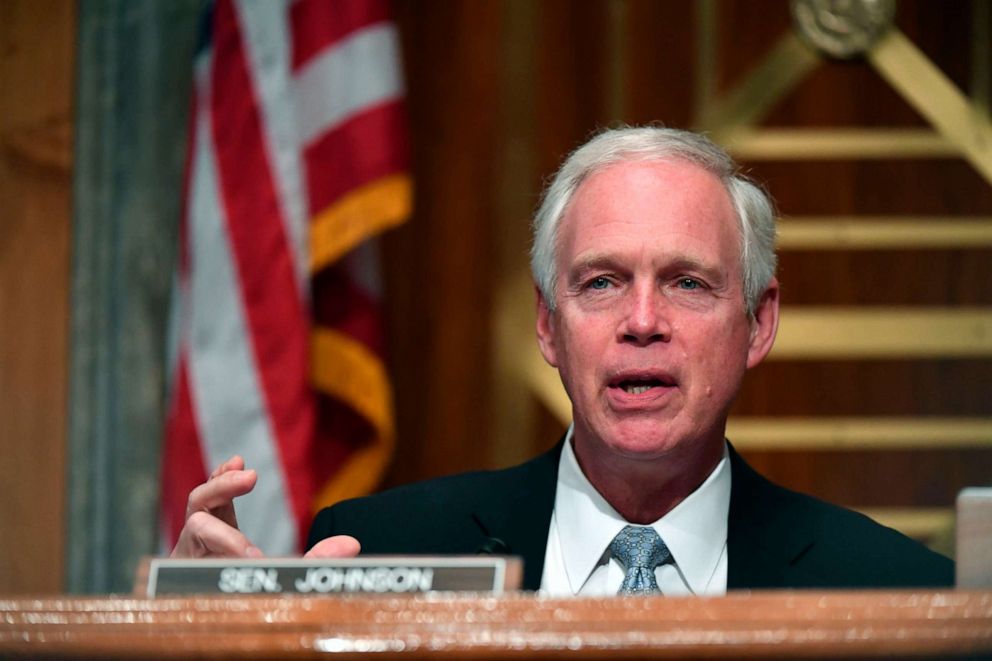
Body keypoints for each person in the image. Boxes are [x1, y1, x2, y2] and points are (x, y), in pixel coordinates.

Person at [172, 126, 953, 594]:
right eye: (602, 282)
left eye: (687, 282)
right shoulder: (375, 553)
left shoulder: (899, 590)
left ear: (758, 322)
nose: (642, 321)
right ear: (548, 324)